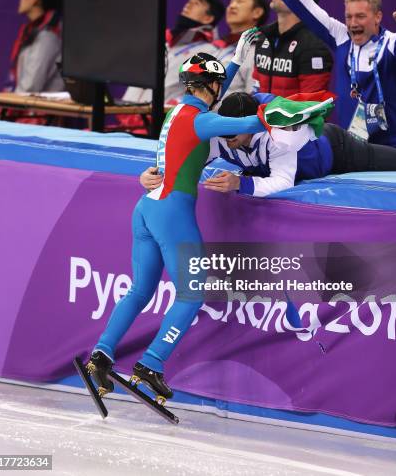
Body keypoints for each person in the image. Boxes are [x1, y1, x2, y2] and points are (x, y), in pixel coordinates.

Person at [87, 37, 266, 400]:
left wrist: (233, 63)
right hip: (173, 214)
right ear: (211, 86)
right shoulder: (202, 121)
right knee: (191, 294)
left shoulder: (177, 113)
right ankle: (152, 362)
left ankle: (102, 354)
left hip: (147, 208)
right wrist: (292, 112)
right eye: (218, 84)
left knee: (140, 291)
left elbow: (214, 97)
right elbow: (251, 120)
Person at [141, 92, 396, 198]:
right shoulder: (218, 137)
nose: (229, 137)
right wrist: (156, 173)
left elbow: (282, 181)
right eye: (225, 127)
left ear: (252, 124)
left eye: (236, 129)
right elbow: (184, 158)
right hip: (311, 161)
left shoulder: (280, 138)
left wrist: (241, 185)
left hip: (338, 150)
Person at [260, 0, 396, 147]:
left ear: (378, 17)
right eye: (348, 17)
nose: (352, 23)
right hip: (352, 148)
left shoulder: (392, 43)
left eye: (360, 16)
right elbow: (308, 9)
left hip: (391, 148)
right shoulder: (342, 36)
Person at [122, 0, 225, 105]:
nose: (189, 4)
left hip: (161, 119)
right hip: (127, 115)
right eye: (189, 1)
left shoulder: (208, 53)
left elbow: (205, 94)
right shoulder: (164, 43)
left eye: (197, 3)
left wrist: (175, 106)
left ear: (208, 18)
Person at [243, 0, 333, 98]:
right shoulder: (264, 37)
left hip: (290, 117)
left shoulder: (313, 47)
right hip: (259, 117)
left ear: (304, 2)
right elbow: (256, 88)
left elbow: (310, 107)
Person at [8, 0, 64, 93]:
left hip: (43, 110)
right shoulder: (34, 31)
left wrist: (7, 104)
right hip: (29, 107)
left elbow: (30, 87)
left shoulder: (48, 36)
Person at [212, 0, 270, 95]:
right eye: (231, 2)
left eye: (239, 1)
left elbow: (253, 98)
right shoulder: (218, 46)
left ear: (257, 12)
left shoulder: (259, 50)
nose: (232, 6)